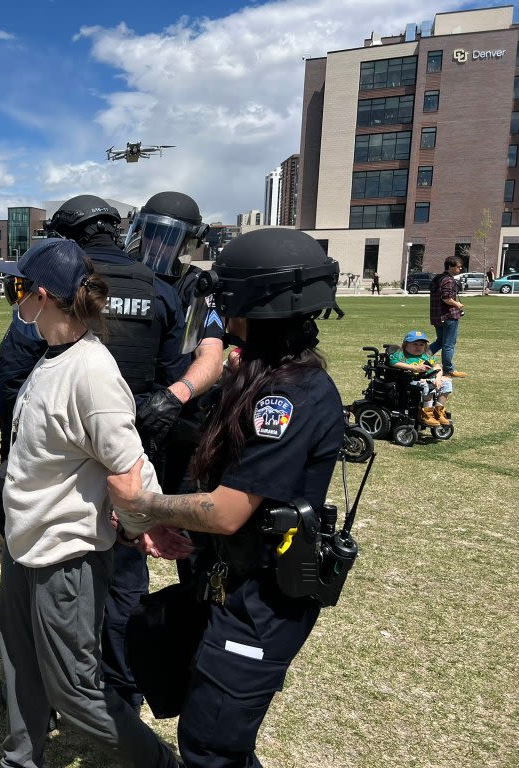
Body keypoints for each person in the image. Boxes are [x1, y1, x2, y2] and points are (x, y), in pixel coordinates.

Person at [107, 228, 345, 768]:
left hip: (262, 603)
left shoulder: (289, 396)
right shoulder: (263, 374)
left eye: (227, 297)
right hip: (227, 587)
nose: (219, 307)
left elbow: (228, 510)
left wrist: (145, 504)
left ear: (256, 301)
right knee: (208, 730)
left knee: (212, 746)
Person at [0, 238, 182, 768]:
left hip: (67, 555)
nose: (14, 299)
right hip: (25, 545)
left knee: (75, 690)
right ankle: (21, 759)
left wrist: (146, 522)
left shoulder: (92, 371)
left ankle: (161, 764)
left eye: (17, 288)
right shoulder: (51, 356)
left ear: (44, 295)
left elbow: (128, 463)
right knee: (20, 662)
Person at [388, 330, 452, 427]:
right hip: (411, 381)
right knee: (426, 385)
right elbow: (393, 362)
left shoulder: (425, 356)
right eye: (415, 344)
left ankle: (438, 411)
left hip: (429, 378)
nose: (418, 347)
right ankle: (426, 413)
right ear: (405, 345)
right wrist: (414, 368)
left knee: (447, 382)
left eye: (421, 344)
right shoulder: (402, 355)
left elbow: (437, 367)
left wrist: (438, 378)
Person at [429, 255, 467, 378]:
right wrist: (458, 304)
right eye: (458, 267)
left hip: (437, 316)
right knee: (448, 344)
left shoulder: (438, 278)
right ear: (451, 267)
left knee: (440, 342)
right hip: (448, 316)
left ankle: (418, 357)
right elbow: (446, 298)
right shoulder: (448, 280)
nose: (460, 269)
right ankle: (449, 370)